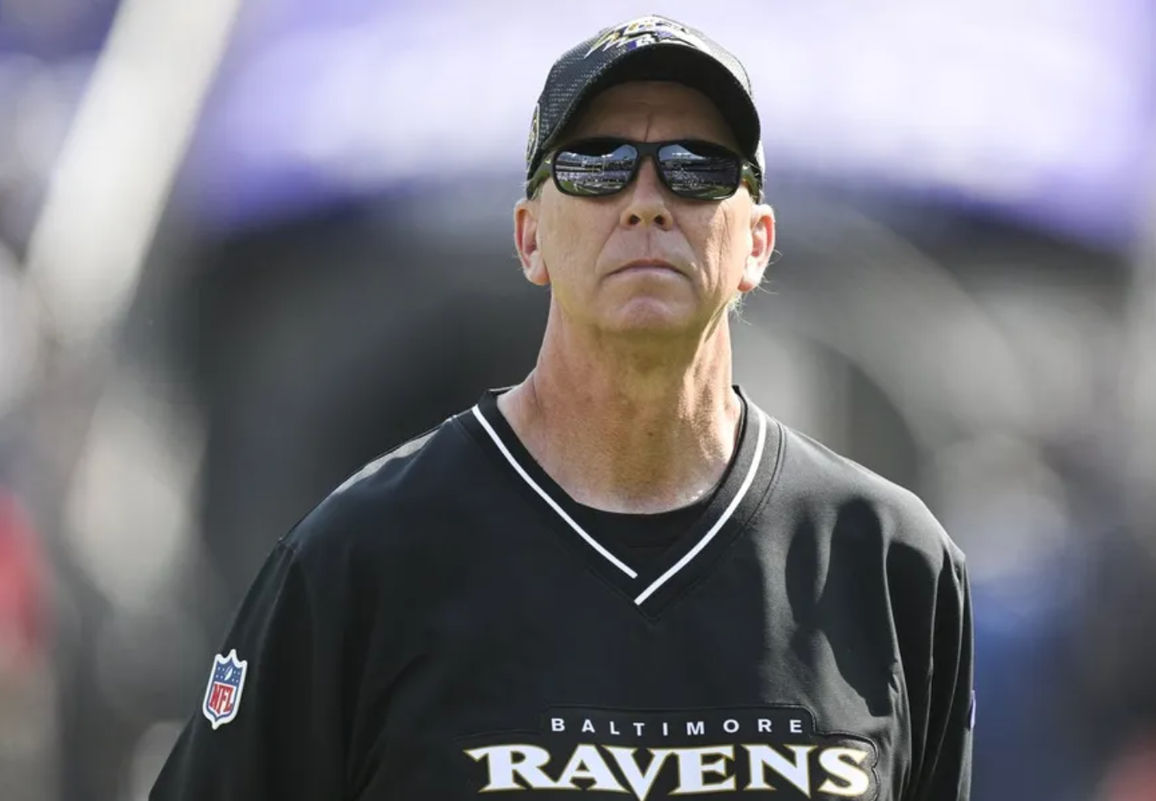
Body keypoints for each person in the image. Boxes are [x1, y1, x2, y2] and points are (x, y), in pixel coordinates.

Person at [151, 14, 973, 800]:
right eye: (595, 162)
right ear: (529, 238)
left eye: (698, 166)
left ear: (756, 242)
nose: (647, 200)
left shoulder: (891, 560)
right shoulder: (361, 556)